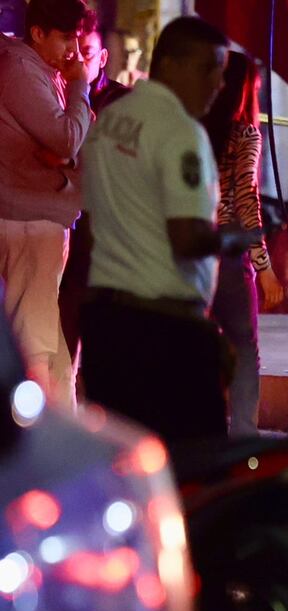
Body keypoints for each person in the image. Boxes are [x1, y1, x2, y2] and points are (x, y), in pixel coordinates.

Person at [79, 17, 257, 449]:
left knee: (125, 469)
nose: (218, 82)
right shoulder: (181, 132)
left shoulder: (107, 122)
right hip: (164, 331)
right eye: (208, 68)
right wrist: (233, 238)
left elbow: (90, 218)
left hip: (105, 324)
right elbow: (186, 237)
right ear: (170, 65)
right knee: (194, 473)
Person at [0, 0, 92, 401]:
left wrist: (67, 150)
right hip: (30, 222)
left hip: (40, 218)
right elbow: (67, 138)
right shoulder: (21, 70)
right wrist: (79, 87)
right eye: (66, 38)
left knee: (53, 354)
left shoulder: (35, 70)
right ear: (37, 33)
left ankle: (65, 446)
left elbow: (69, 146)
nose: (72, 50)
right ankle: (31, 446)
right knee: (35, 345)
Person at [202, 50, 284, 437]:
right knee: (245, 348)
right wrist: (265, 268)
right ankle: (244, 435)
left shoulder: (193, 131)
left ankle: (200, 427)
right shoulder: (244, 135)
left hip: (191, 252)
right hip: (230, 256)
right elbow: (247, 202)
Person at [57, 14, 131, 395]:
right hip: (62, 234)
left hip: (105, 243)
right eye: (72, 52)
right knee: (60, 345)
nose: (78, 61)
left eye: (86, 53)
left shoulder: (122, 102)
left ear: (102, 58)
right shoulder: (55, 93)